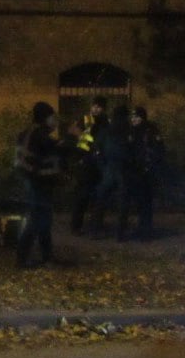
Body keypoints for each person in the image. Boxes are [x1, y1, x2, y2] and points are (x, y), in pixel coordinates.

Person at [15, 101, 64, 267]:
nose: (54, 121)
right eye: (52, 117)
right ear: (45, 118)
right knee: (37, 220)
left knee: (42, 219)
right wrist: (73, 138)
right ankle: (24, 258)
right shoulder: (40, 136)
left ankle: (46, 257)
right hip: (38, 184)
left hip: (31, 182)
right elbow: (57, 150)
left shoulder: (27, 133)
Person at [119, 106, 165, 240]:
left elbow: (158, 150)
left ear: (142, 118)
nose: (134, 119)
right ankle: (140, 230)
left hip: (146, 172)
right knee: (138, 203)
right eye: (132, 117)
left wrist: (150, 166)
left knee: (146, 202)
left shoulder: (150, 131)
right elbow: (127, 150)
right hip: (133, 172)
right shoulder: (130, 131)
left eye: (137, 117)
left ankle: (146, 232)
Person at [89, 103, 131, 237]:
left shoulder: (107, 130)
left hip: (109, 168)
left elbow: (96, 149)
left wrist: (102, 166)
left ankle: (95, 230)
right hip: (121, 169)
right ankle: (120, 232)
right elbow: (132, 151)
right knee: (122, 201)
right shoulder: (127, 130)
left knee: (101, 199)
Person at [69, 96, 109, 234]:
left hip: (98, 164)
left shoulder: (105, 122)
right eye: (94, 106)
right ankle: (76, 226)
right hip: (85, 163)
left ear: (104, 109)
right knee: (82, 196)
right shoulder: (86, 120)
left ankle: (95, 226)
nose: (96, 109)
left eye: (99, 107)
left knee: (97, 198)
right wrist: (91, 146)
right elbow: (80, 142)